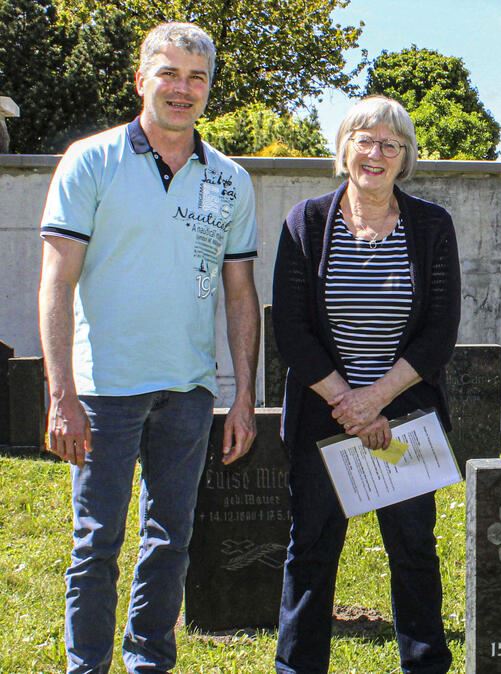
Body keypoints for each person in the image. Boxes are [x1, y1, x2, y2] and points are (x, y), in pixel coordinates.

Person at [37, 22, 260, 674]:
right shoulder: (91, 160)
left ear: (209, 90)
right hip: (103, 391)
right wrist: (61, 394)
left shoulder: (230, 181)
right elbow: (56, 279)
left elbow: (240, 294)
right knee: (96, 542)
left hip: (187, 392)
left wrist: (243, 396)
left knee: (170, 541)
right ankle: (88, 667)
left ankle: (149, 663)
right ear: (142, 80)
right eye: (169, 73)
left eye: (196, 78)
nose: (182, 89)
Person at [271, 95, 458, 674]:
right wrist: (347, 404)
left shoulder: (431, 226)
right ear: (344, 148)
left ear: (405, 158)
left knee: (413, 550)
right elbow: (292, 328)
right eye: (365, 139)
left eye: (390, 144)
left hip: (402, 416)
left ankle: (425, 664)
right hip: (322, 417)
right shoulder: (305, 222)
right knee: (312, 550)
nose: (376, 153)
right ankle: (297, 666)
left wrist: (375, 401)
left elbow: (439, 332)